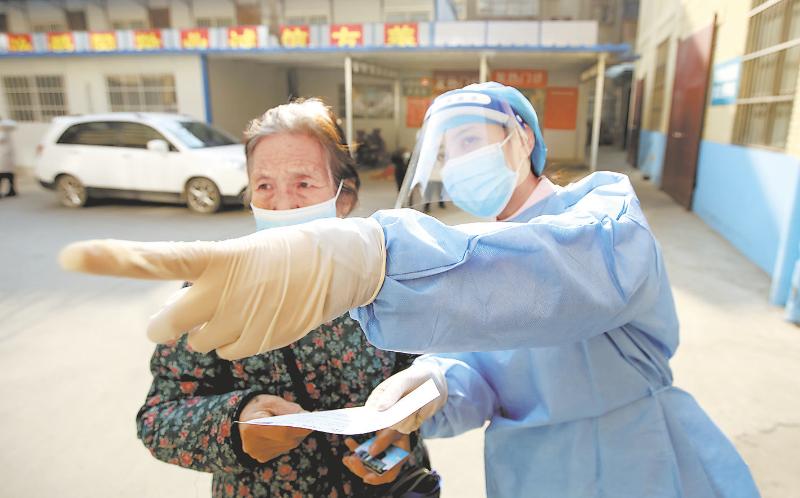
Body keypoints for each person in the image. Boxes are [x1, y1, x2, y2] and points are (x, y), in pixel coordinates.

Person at [60, 84, 759, 497]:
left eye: (472, 141)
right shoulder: (456, 260)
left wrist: (373, 257)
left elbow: (557, 282)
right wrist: (431, 389)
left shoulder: (599, 213)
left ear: (523, 137)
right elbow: (482, 368)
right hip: (527, 472)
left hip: (641, 462)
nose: (460, 163)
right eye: (447, 152)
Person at [135, 99, 436, 498]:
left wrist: (403, 431)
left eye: (304, 184)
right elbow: (158, 418)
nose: (282, 204)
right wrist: (234, 426)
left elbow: (428, 371)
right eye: (264, 186)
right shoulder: (215, 287)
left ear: (343, 197)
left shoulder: (384, 275)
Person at [0, 117, 18, 198]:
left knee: (4, 174)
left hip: (4, 156)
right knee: (8, 174)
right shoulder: (6, 129)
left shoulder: (3, 130)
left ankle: (11, 190)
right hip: (6, 156)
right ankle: (12, 190)